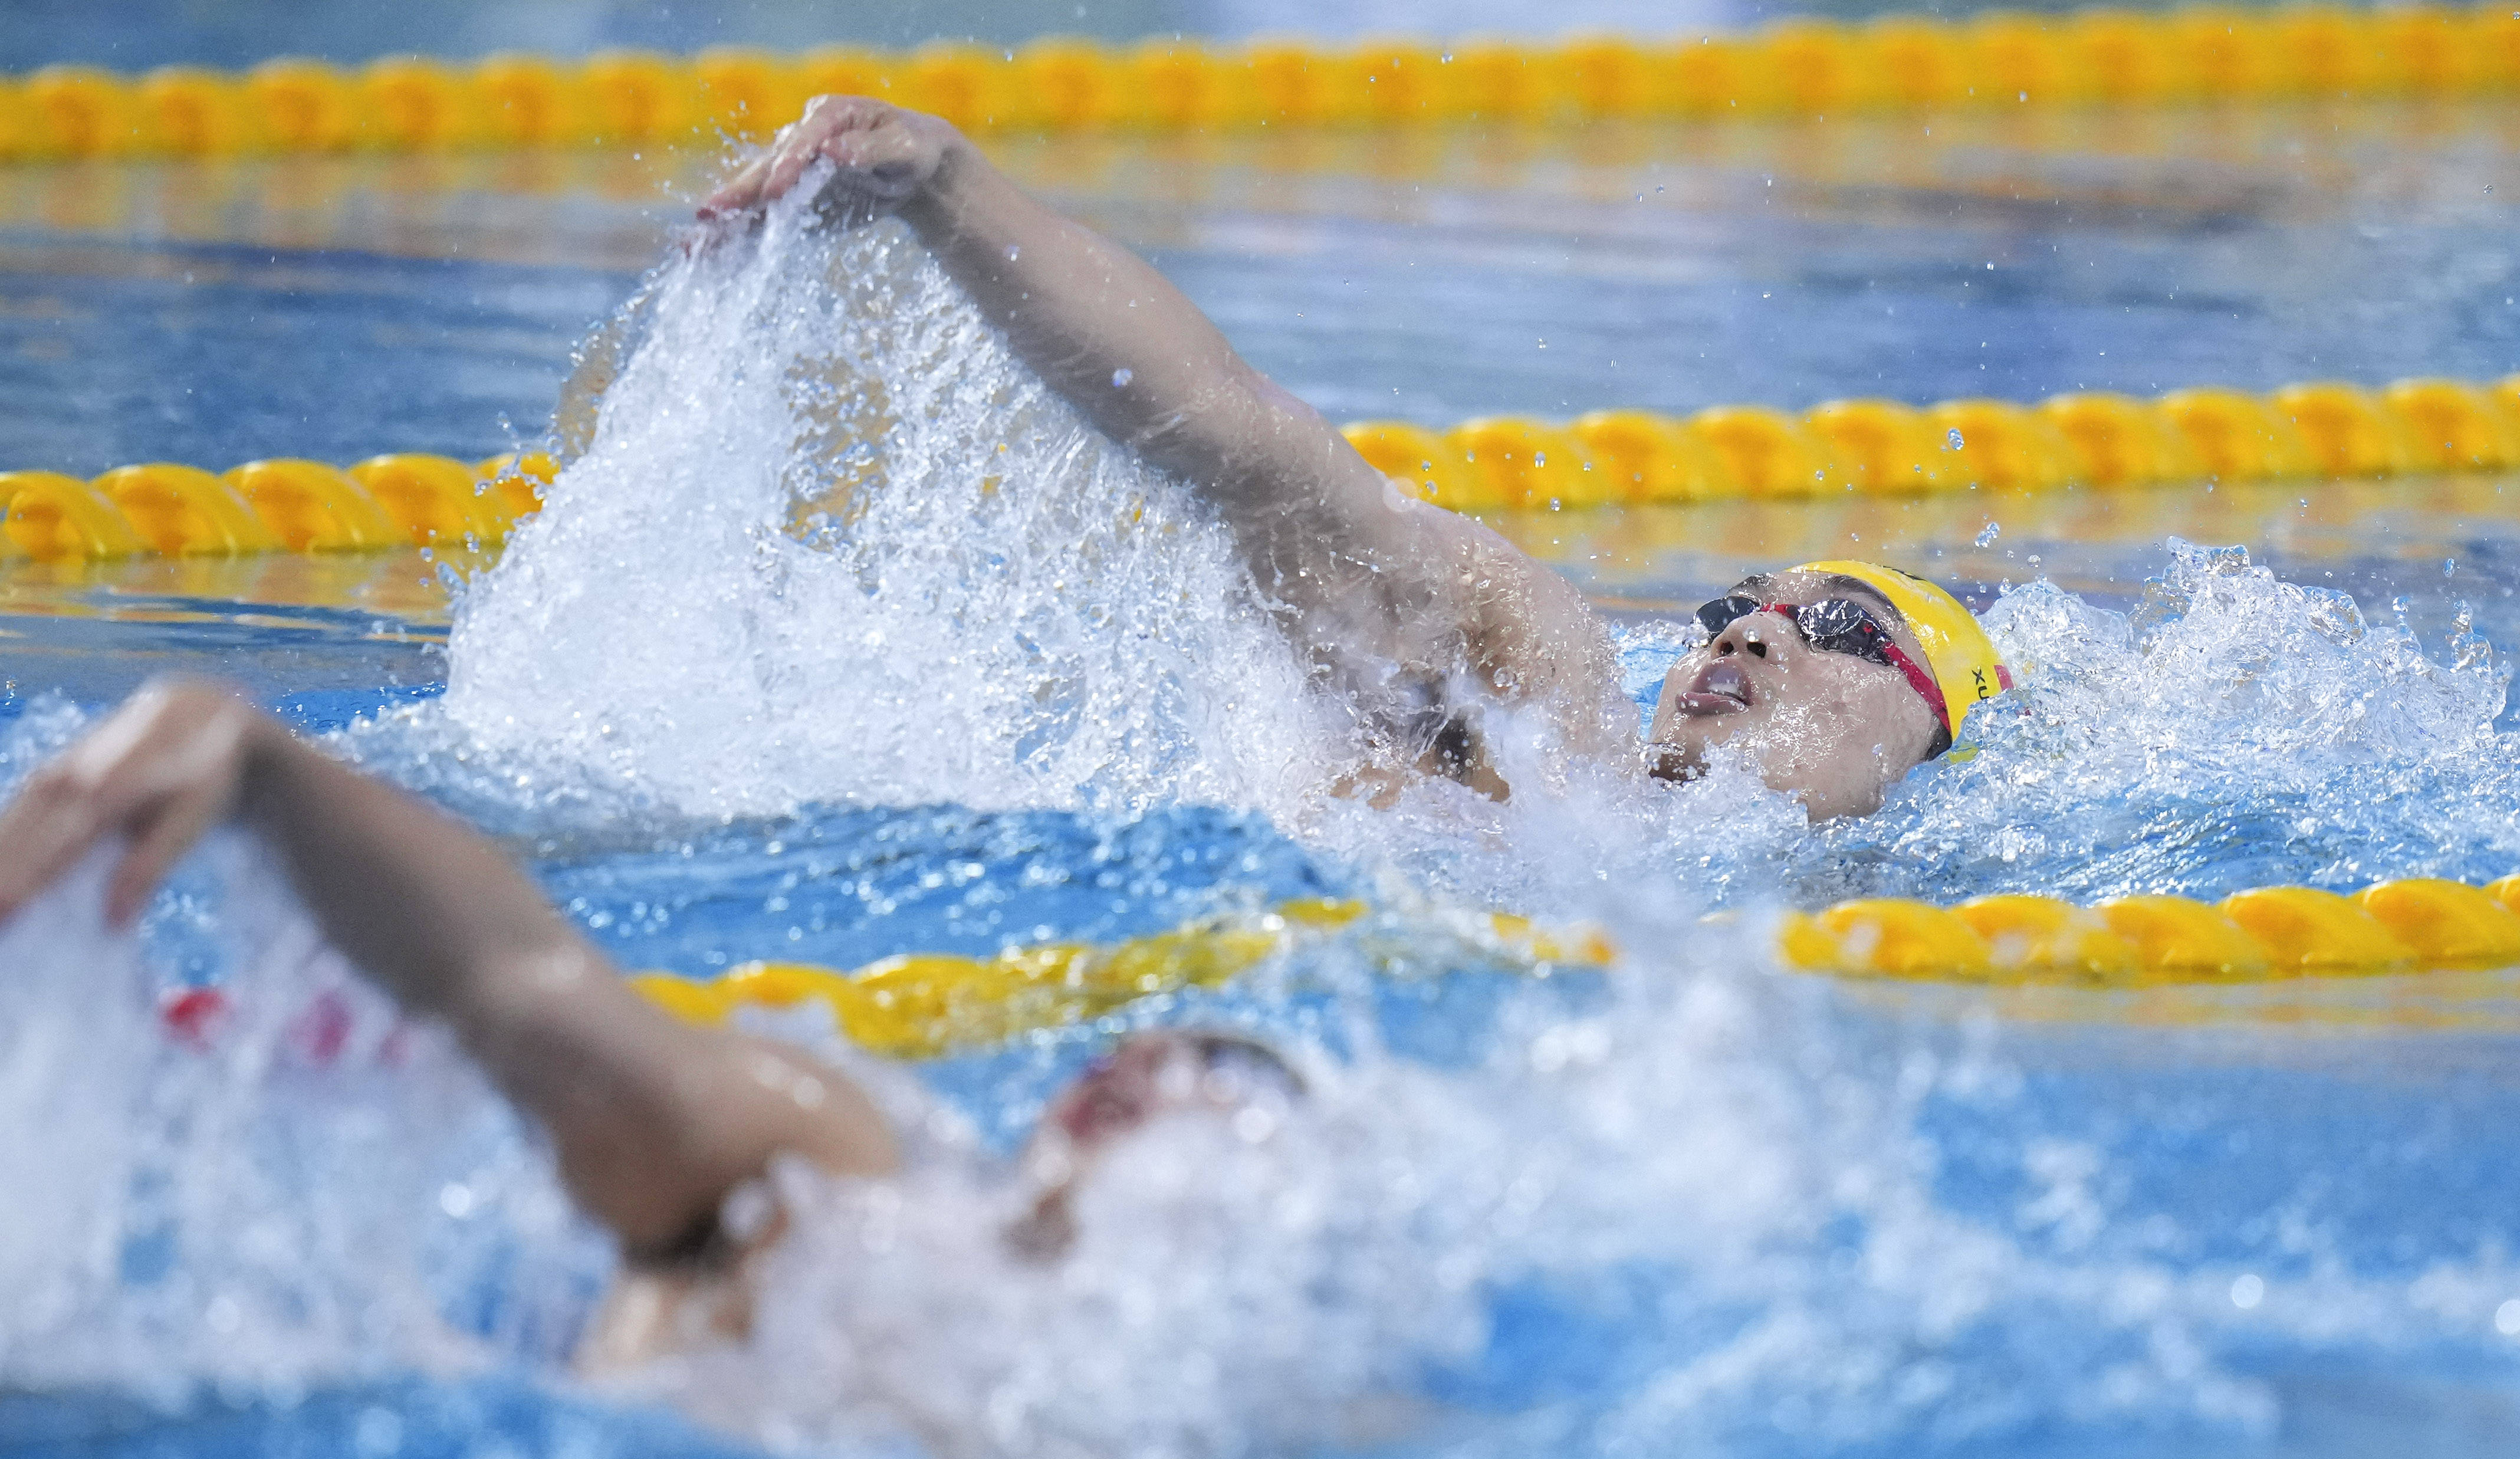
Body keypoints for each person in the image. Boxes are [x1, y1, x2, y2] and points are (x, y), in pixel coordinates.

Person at [699, 96, 2013, 823]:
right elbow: (1269, 463)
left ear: (1931, 727)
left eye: (1838, 622)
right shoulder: (1544, 741)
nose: (1749, 639)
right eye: (1734, 611)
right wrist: (945, 189)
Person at [0, 681, 1302, 1379]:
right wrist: (259, 764)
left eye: (1216, 1079)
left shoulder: (1208, 1415)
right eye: (1140, 1055)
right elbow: (521, 990)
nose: (1148, 1062)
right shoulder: (837, 1182)